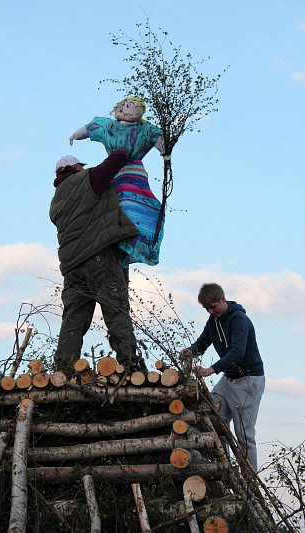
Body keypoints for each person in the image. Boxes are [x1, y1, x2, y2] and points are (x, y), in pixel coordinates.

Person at [49, 147, 144, 375]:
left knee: (73, 319)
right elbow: (118, 157)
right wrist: (118, 137)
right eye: (81, 166)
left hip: (72, 268)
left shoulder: (56, 201)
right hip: (99, 259)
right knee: (115, 310)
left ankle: (63, 370)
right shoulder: (87, 180)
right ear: (76, 168)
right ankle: (130, 365)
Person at [69, 97, 166, 268]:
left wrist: (164, 151)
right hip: (115, 171)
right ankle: (119, 237)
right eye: (123, 105)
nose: (125, 108)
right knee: (117, 205)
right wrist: (75, 135)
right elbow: (90, 128)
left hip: (134, 174)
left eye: (130, 106)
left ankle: (134, 239)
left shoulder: (145, 130)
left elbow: (160, 139)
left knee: (133, 205)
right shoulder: (109, 126)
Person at [180, 283, 265, 471]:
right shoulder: (213, 322)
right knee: (210, 415)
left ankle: (250, 481)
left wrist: (211, 370)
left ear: (223, 299)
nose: (211, 311)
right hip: (229, 380)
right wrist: (189, 351)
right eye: (207, 308)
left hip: (248, 380)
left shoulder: (239, 320)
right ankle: (224, 466)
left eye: (213, 306)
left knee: (244, 435)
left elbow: (237, 353)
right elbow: (202, 343)